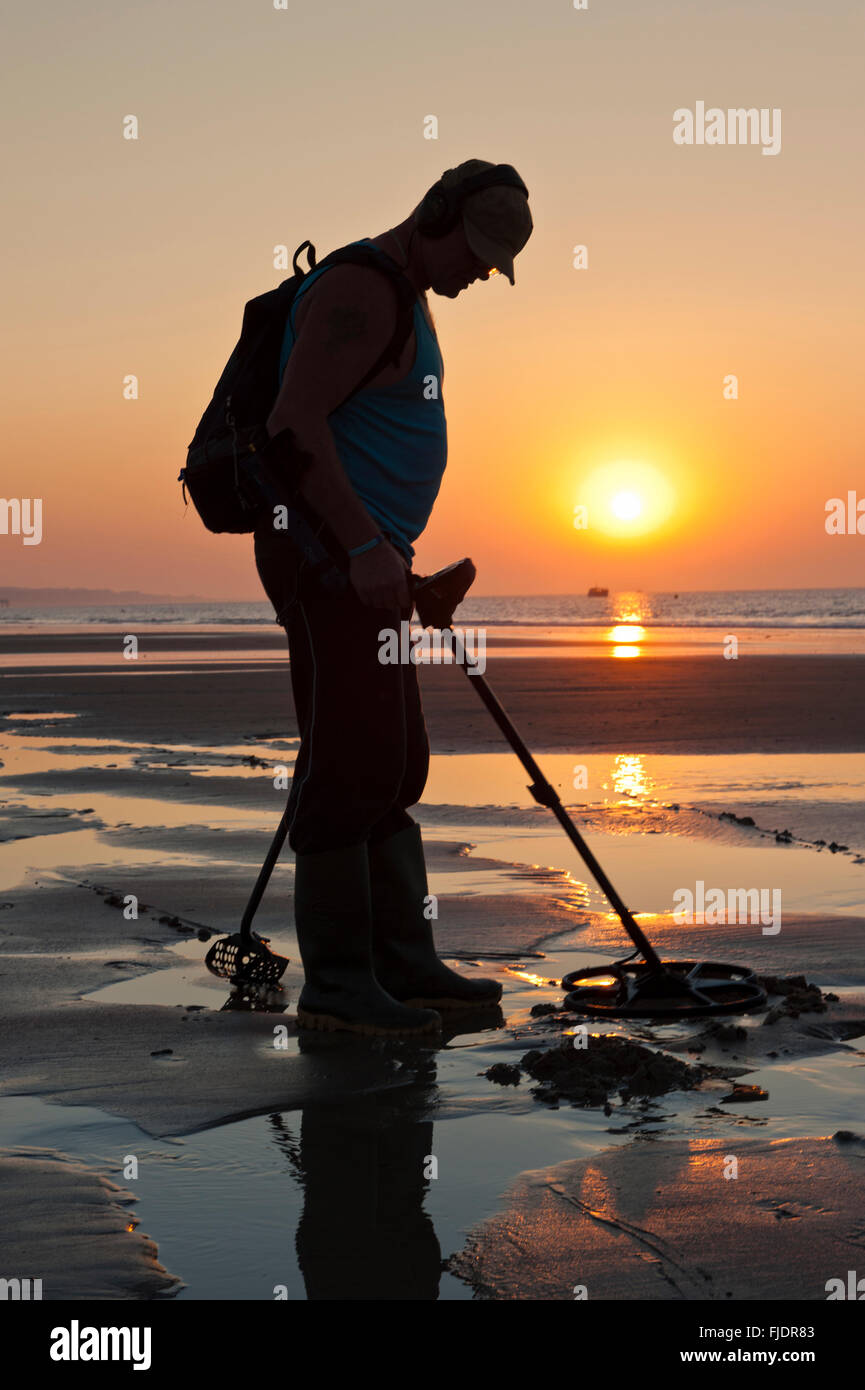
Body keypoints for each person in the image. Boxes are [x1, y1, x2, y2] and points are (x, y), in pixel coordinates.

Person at [256, 159, 533, 1035]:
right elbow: (291, 424)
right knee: (349, 767)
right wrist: (365, 545)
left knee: (394, 763)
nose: (478, 273)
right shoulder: (363, 291)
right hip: (328, 561)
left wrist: (391, 559)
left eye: (494, 263)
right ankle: (338, 990)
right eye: (475, 252)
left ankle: (402, 965)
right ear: (436, 212)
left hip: (369, 565)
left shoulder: (404, 295)